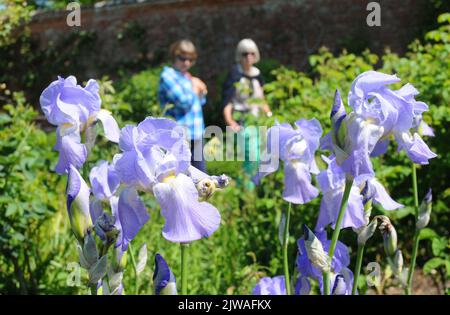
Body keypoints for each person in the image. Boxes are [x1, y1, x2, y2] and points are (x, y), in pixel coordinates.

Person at [222, 38, 272, 189]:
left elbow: (261, 99)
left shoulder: (258, 75)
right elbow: (227, 101)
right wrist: (230, 121)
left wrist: (270, 115)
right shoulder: (235, 75)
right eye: (245, 54)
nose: (248, 57)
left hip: (258, 121)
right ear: (239, 55)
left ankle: (256, 187)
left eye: (251, 53)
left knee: (262, 156)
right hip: (242, 121)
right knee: (251, 156)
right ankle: (247, 188)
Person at [158, 39, 208, 172]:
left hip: (197, 133)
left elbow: (200, 103)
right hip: (180, 137)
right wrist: (196, 89)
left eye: (190, 59)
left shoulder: (187, 77)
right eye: (182, 58)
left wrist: (201, 92)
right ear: (174, 56)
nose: (186, 62)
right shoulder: (168, 76)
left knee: (201, 179)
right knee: (181, 177)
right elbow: (184, 102)